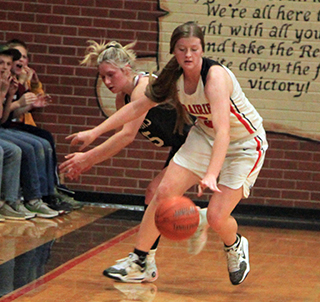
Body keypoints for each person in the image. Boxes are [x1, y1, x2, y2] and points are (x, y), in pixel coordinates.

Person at [66, 21, 268, 285]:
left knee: (218, 217)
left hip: (244, 144)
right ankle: (141, 261)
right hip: (204, 136)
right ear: (174, 51)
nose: (188, 55)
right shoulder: (173, 74)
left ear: (202, 50)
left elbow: (224, 133)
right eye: (182, 49)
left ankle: (235, 245)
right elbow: (138, 107)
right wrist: (94, 132)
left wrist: (210, 174)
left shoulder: (214, 78)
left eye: (194, 49)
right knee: (162, 192)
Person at [59, 39, 197, 281]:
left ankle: (145, 260)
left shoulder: (143, 88)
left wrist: (87, 158)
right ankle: (146, 262)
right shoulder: (121, 99)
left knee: (156, 192)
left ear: (126, 69)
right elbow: (120, 138)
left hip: (198, 141)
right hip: (182, 146)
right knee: (153, 194)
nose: (107, 82)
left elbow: (125, 136)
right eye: (102, 77)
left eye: (111, 75)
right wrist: (90, 160)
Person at [5, 39, 81, 211]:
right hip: (7, 127)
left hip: (9, 124)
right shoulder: (6, 81)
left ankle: (49, 191)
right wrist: (20, 102)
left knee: (44, 139)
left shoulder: (17, 80)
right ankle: (30, 197)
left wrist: (30, 104)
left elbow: (10, 113)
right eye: (14, 57)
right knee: (31, 145)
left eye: (24, 57)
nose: (20, 60)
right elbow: (8, 113)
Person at [0, 44, 60, 219]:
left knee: (42, 142)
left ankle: (41, 196)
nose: (5, 67)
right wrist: (11, 98)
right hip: (7, 128)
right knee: (17, 149)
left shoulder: (9, 81)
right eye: (1, 62)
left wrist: (11, 96)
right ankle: (12, 200)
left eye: (7, 63)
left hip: (6, 125)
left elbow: (3, 117)